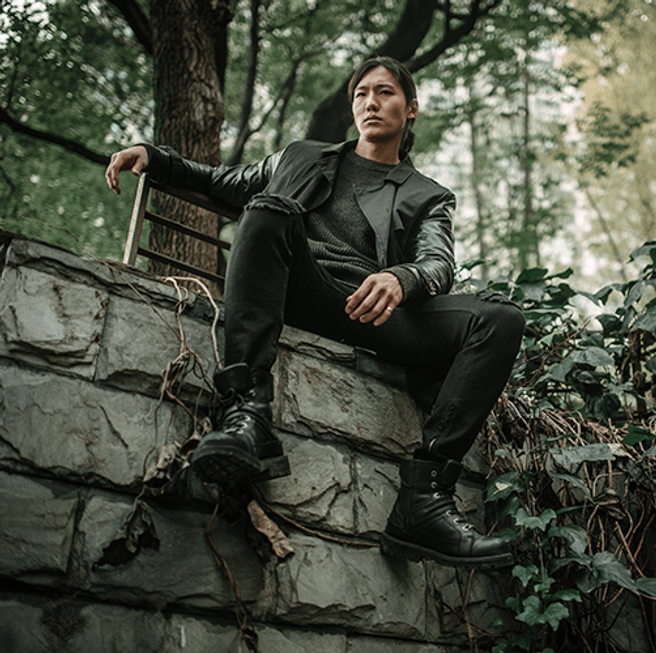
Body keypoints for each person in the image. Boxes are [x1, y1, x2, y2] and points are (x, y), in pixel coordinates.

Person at [105, 56, 525, 569]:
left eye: (386, 92)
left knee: (502, 319)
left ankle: (425, 497)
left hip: (373, 308)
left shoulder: (428, 195)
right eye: (361, 93)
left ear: (410, 109)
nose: (371, 102)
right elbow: (221, 180)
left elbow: (438, 261)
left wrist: (403, 277)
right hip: (301, 288)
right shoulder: (299, 157)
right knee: (267, 208)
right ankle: (246, 415)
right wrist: (154, 155)